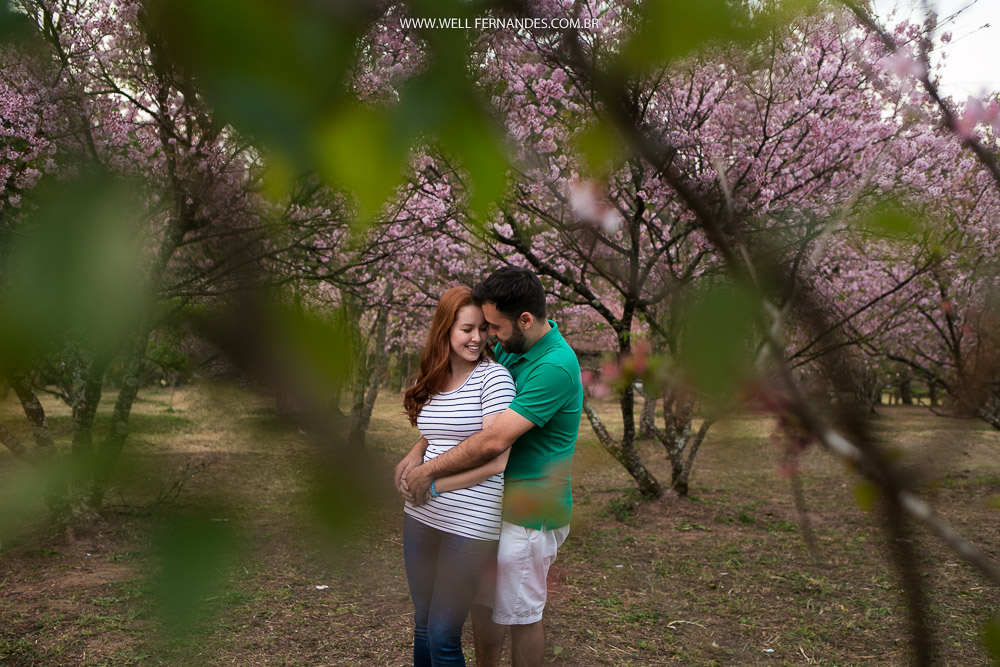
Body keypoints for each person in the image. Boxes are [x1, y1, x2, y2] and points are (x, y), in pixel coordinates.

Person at [398, 267, 583, 667]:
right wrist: (419, 450)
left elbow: (495, 441)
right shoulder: (511, 347)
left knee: (520, 614)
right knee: (484, 604)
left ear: (525, 320)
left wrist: (430, 473)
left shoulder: (555, 366)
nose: (488, 338)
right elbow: (458, 419)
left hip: (531, 508)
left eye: (494, 327)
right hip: (493, 501)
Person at [395, 285, 516, 667]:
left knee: (445, 635)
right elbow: (437, 432)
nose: (477, 338)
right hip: (420, 515)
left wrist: (431, 481)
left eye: (483, 329)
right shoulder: (435, 377)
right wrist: (411, 458)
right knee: (422, 626)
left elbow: (497, 460)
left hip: (470, 523)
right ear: (446, 329)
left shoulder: (493, 378)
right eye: (467, 329)